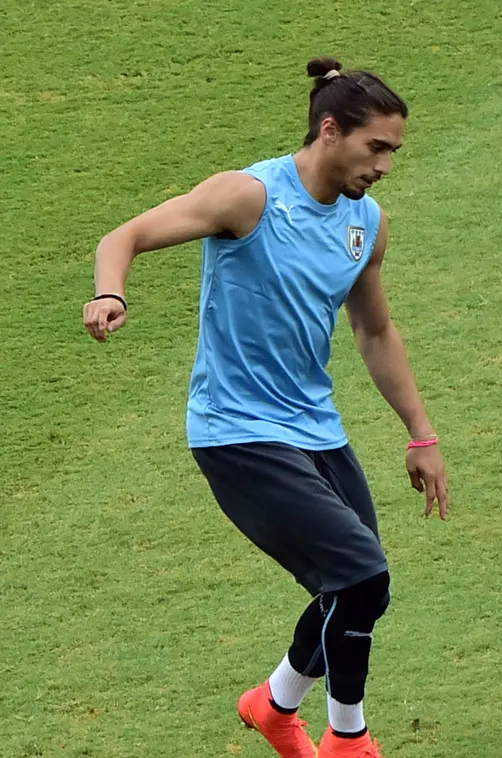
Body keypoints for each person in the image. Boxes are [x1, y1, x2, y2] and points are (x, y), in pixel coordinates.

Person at [80, 57, 448, 758]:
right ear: (331, 129)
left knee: (362, 587)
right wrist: (110, 293)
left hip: (314, 426)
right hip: (237, 432)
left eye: (395, 152)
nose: (386, 166)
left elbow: (374, 332)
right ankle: (349, 740)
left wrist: (421, 436)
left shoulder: (366, 223)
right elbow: (120, 237)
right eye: (378, 147)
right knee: (361, 577)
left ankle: (274, 706)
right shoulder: (247, 198)